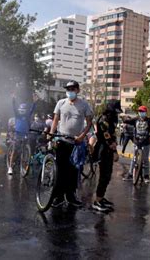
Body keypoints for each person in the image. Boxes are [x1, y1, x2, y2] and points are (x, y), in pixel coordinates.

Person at [49, 80, 93, 208]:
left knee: (73, 171)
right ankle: (58, 196)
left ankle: (70, 196)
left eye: (73, 89)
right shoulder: (61, 103)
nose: (70, 92)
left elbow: (89, 122)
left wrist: (81, 136)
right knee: (61, 170)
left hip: (76, 143)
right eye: (68, 89)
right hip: (61, 140)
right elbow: (55, 120)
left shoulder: (84, 105)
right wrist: (51, 134)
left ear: (78, 90)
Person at [92, 101, 122, 212]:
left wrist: (114, 148)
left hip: (109, 149)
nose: (116, 114)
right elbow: (106, 135)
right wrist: (113, 148)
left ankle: (101, 197)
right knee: (104, 175)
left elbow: (113, 134)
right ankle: (97, 201)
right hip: (102, 149)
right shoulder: (103, 120)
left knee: (108, 175)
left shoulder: (112, 119)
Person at [122, 106, 150, 183]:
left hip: (146, 142)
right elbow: (127, 121)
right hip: (137, 141)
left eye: (142, 111)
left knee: (145, 159)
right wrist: (123, 118)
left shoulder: (149, 120)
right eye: (140, 111)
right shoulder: (136, 119)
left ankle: (146, 176)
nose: (141, 113)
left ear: (146, 112)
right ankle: (130, 174)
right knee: (134, 158)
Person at [7, 94, 36, 175]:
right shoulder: (17, 115)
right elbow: (14, 108)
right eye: (21, 109)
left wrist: (34, 102)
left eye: (24, 109)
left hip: (26, 135)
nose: (22, 110)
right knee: (15, 150)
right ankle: (10, 167)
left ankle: (23, 166)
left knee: (25, 150)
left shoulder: (27, 116)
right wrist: (13, 100)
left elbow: (32, 110)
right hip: (17, 135)